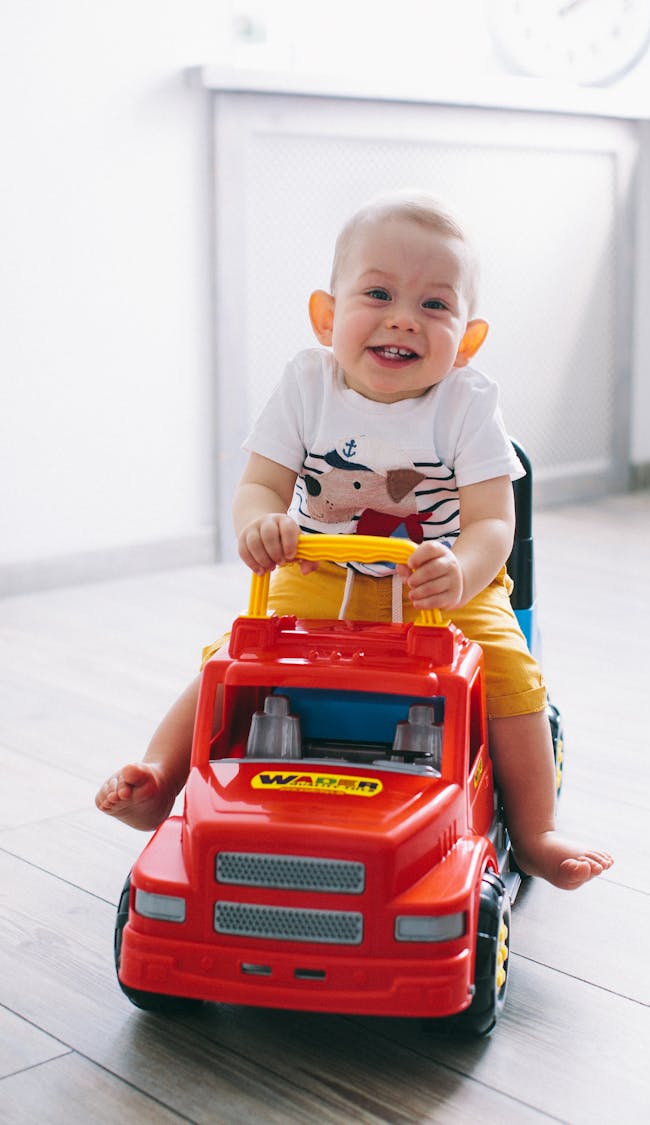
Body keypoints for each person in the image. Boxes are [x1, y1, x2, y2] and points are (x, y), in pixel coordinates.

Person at [96, 190, 612, 890]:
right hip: (320, 574)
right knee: (232, 657)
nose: (404, 317)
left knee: (512, 675)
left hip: (439, 585)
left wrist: (461, 570)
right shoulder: (306, 385)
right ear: (327, 316)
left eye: (435, 305)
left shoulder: (469, 403)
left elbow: (494, 520)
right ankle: (161, 774)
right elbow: (260, 484)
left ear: (465, 339)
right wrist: (261, 523)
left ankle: (537, 829)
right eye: (378, 293)